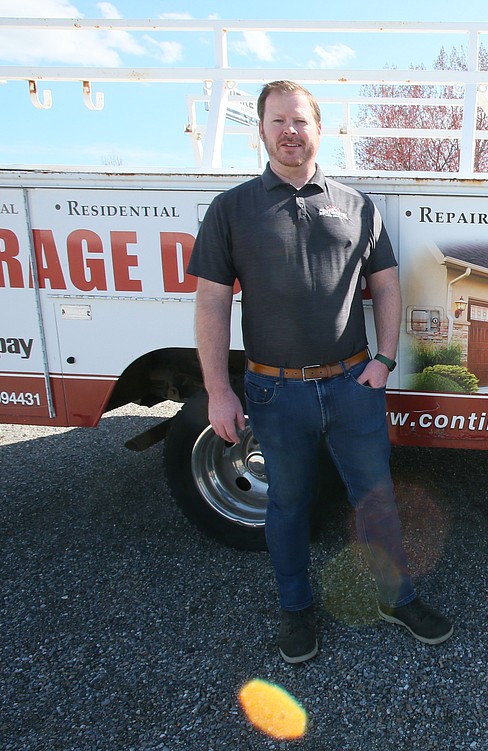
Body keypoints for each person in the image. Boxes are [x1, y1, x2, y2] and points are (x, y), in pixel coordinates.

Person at [189, 80, 452, 663]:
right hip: (275, 392)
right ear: (260, 130)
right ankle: (296, 611)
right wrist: (217, 391)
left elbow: (384, 286)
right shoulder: (231, 209)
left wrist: (383, 360)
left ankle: (397, 598)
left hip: (353, 385)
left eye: (300, 121)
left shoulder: (357, 205)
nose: (290, 131)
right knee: (287, 504)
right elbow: (211, 302)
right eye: (278, 121)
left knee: (376, 498)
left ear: (317, 129)